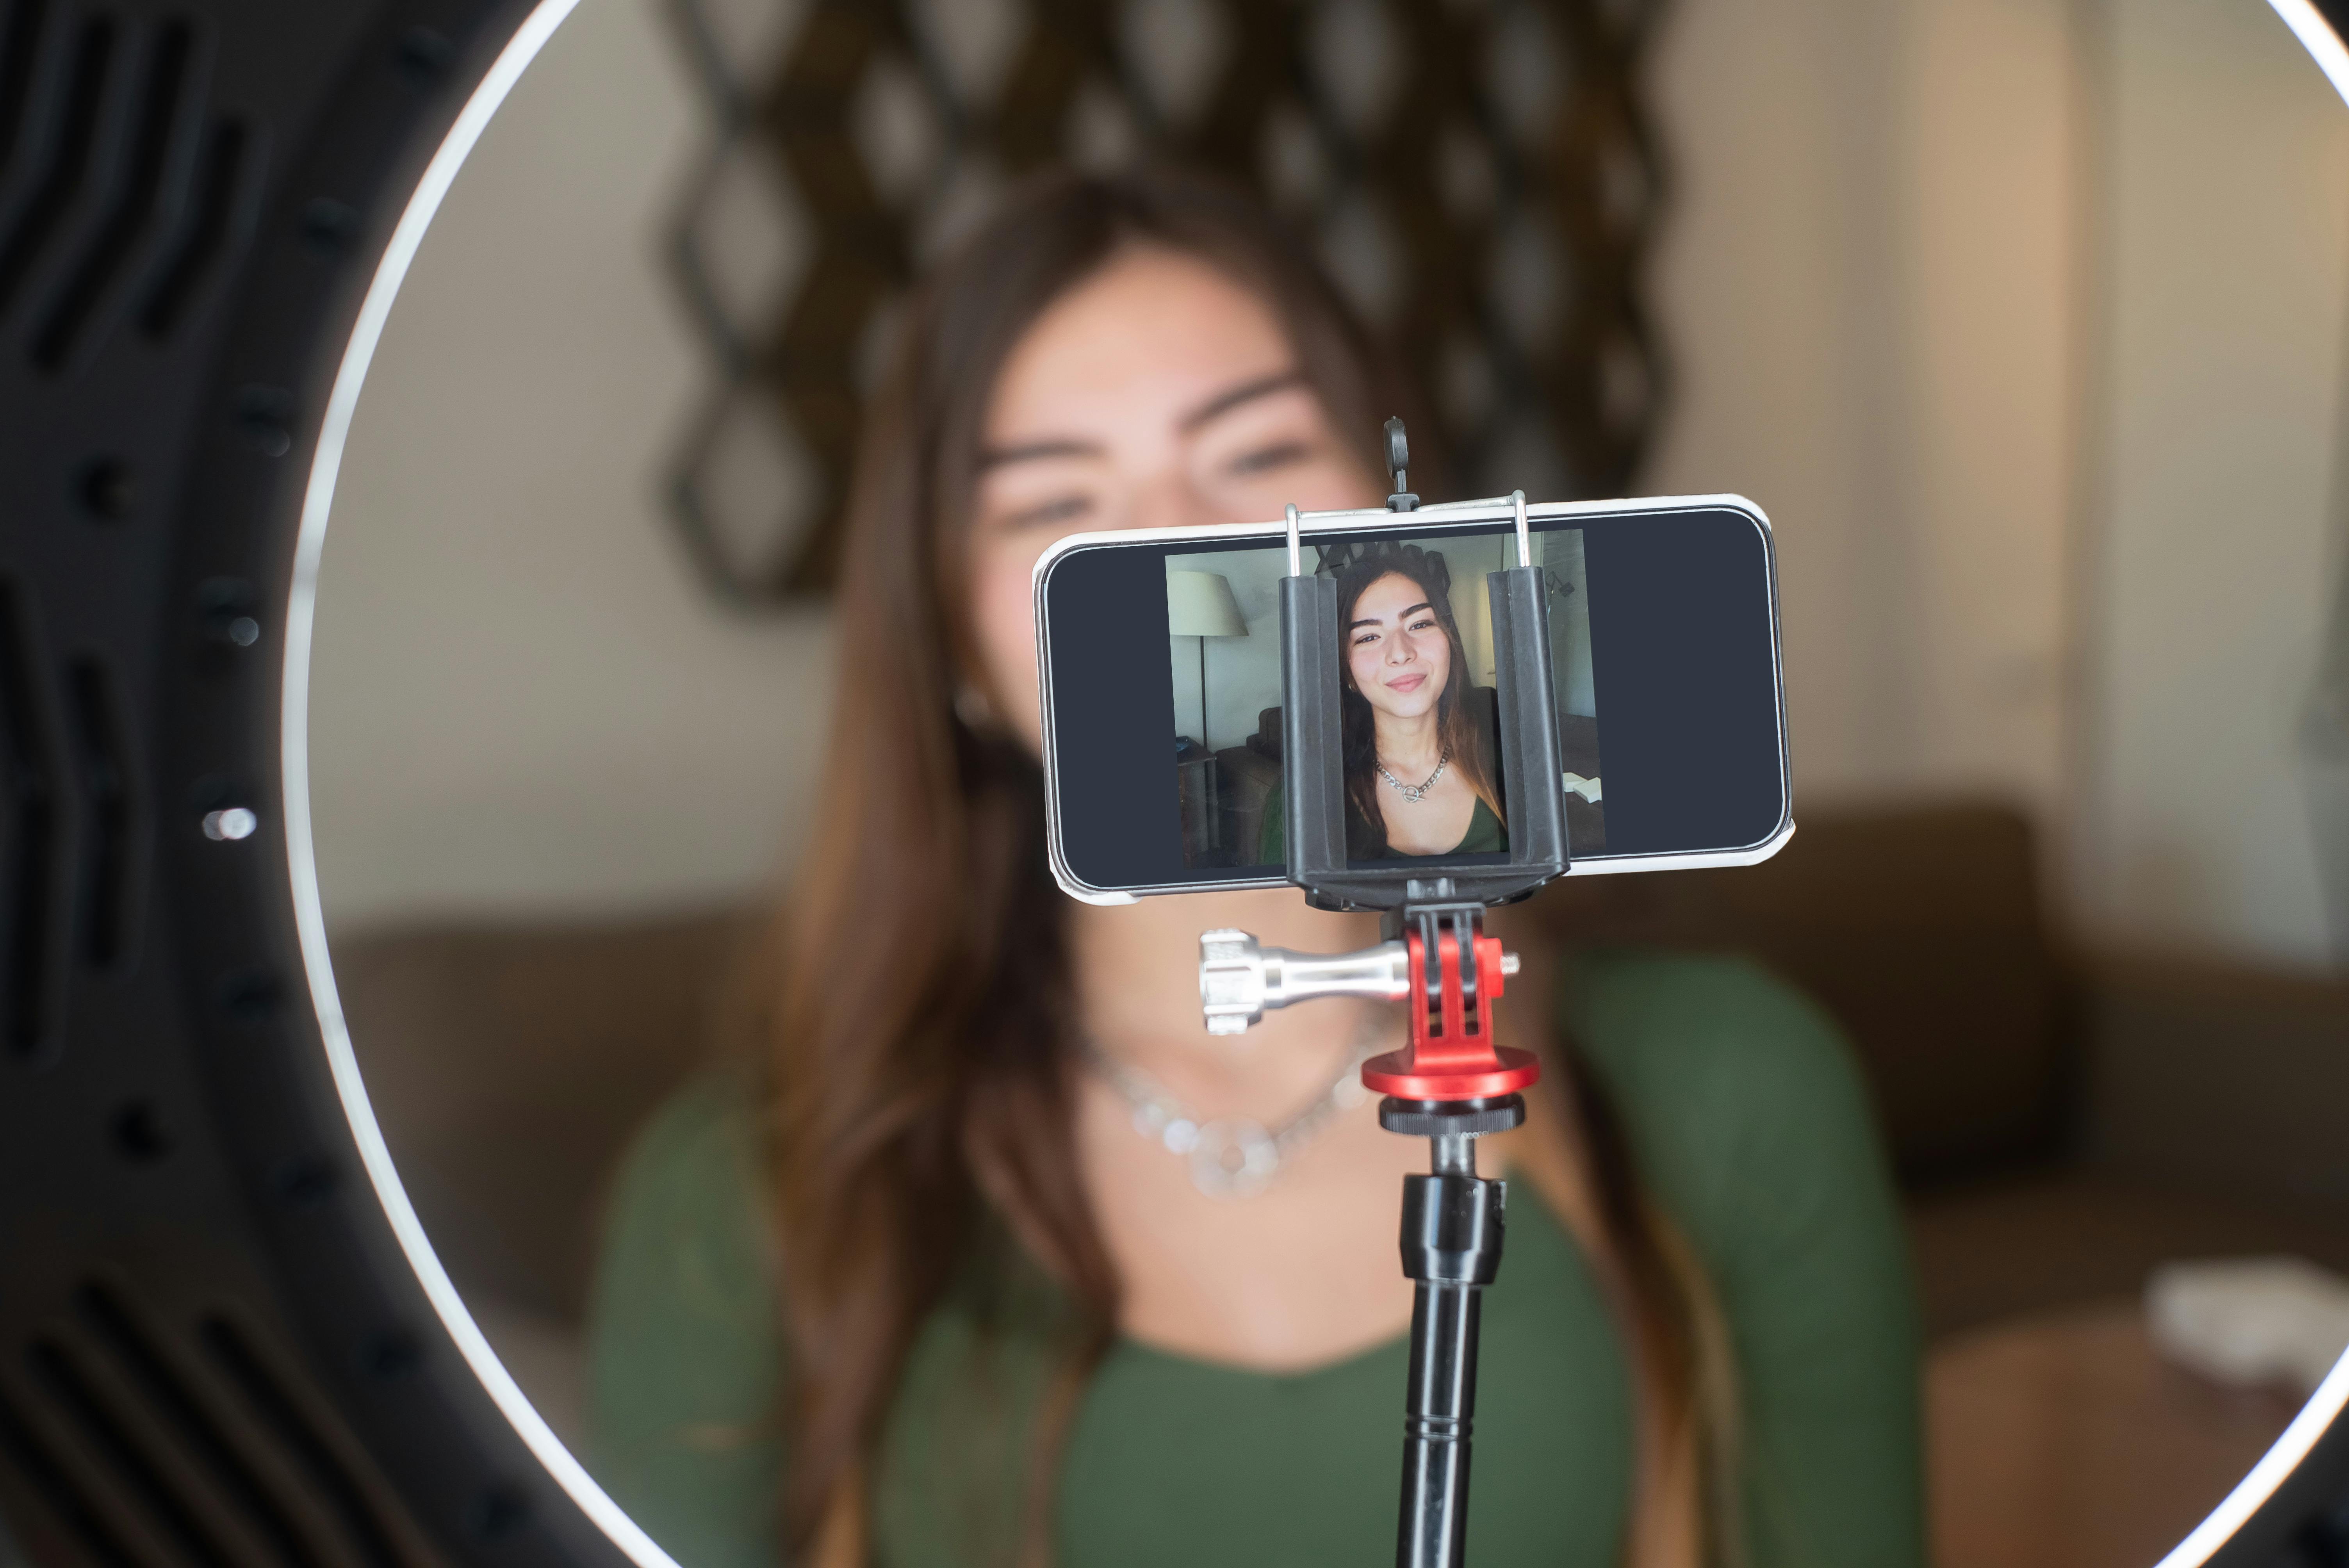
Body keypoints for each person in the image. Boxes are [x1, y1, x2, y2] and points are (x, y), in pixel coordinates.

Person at [585, 167, 1923, 1568]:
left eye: (1260, 456)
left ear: (1408, 537)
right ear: (958, 655)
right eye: (1051, 502)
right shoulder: (744, 1196)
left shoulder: (1731, 1088)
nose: (1179, 541)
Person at [1258, 540, 1509, 863]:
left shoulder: (1511, 773)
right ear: (1346, 670)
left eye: (1419, 624)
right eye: (1368, 637)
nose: (1401, 652)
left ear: (1449, 642)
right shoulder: (1302, 800)